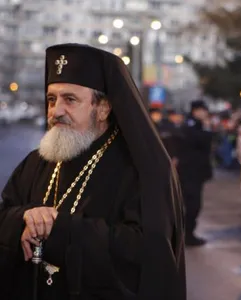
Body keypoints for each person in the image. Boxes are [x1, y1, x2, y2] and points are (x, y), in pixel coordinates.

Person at [0, 44, 186, 300]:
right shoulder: (38, 161)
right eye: (52, 99)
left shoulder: (140, 170)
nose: (56, 112)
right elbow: (5, 212)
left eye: (70, 100)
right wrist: (26, 218)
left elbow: (146, 253)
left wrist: (59, 227)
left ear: (103, 108)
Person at [177, 100, 213, 246]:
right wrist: (206, 129)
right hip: (189, 171)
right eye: (201, 110)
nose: (204, 113)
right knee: (192, 205)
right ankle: (186, 235)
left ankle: (187, 234)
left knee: (193, 205)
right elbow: (201, 141)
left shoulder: (198, 125)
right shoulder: (190, 126)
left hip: (197, 172)